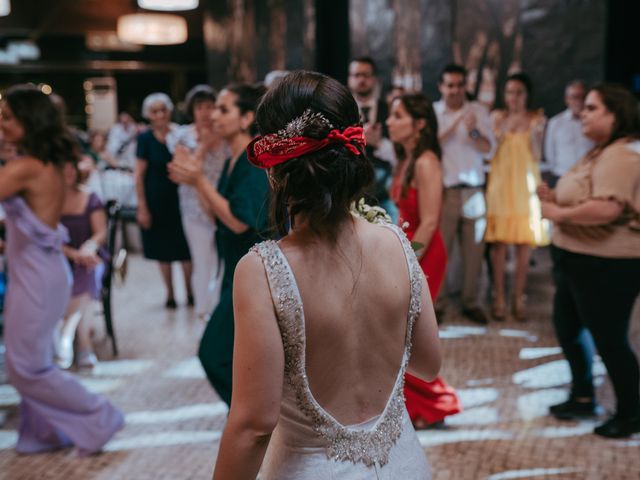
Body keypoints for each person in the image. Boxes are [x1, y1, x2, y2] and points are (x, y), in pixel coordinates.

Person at [211, 71, 440, 479]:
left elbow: (253, 425)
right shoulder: (396, 242)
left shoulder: (263, 269)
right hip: (405, 467)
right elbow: (428, 363)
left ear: (274, 168)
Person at [0, 84, 123, 454]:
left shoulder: (25, 167)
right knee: (30, 360)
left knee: (25, 367)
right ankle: (45, 433)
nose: (0, 124)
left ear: (29, 121)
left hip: (37, 276)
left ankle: (101, 415)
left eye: (7, 118)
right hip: (39, 271)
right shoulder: (41, 162)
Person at [538, 83, 640, 438]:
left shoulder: (623, 155)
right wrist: (557, 201)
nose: (584, 112)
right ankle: (582, 395)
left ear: (616, 115)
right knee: (568, 327)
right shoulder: (601, 151)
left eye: (593, 108)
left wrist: (555, 211)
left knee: (609, 339)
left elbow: (607, 208)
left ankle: (630, 412)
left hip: (606, 264)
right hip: (578, 258)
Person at [168, 83, 269, 407]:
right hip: (234, 271)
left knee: (213, 353)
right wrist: (195, 178)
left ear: (246, 118)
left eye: (223, 109)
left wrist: (198, 180)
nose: (213, 115)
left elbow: (240, 221)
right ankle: (251, 417)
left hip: (253, 275)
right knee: (234, 356)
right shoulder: (231, 160)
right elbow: (217, 219)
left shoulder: (253, 160)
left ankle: (254, 417)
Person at [387, 93, 462, 428]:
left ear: (419, 125)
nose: (390, 122)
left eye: (398, 116)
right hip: (410, 248)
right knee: (401, 333)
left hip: (424, 254)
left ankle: (436, 404)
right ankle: (414, 404)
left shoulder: (426, 161)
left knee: (409, 334)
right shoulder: (406, 158)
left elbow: (430, 220)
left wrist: (408, 261)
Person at [433, 64, 495, 324]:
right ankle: (438, 303)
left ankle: (471, 302)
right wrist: (456, 121)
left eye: (459, 84)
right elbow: (432, 146)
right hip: (445, 192)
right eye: (450, 85)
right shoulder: (435, 111)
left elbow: (489, 149)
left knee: (474, 252)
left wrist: (472, 130)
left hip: (474, 191)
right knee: (442, 251)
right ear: (441, 86)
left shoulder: (478, 111)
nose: (455, 90)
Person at [485, 73, 549, 321]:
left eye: (519, 92)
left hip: (526, 184)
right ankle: (498, 296)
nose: (514, 97)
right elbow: (489, 153)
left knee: (525, 244)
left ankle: (518, 297)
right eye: (510, 92)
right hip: (501, 183)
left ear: (527, 94)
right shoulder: (497, 117)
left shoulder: (537, 118)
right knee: (499, 244)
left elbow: (536, 155)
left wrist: (535, 133)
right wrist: (499, 134)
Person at [167, 85, 229, 321]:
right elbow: (181, 171)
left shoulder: (225, 132)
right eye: (200, 107)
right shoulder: (181, 136)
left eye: (210, 106)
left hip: (222, 203)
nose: (205, 112)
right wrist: (203, 146)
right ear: (192, 110)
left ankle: (219, 307)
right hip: (193, 207)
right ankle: (203, 310)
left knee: (224, 261)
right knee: (201, 260)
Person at [135, 92, 193, 309]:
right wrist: (142, 206)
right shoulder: (144, 139)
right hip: (156, 201)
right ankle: (169, 293)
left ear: (170, 111)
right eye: (154, 111)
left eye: (163, 110)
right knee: (162, 250)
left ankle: (189, 290)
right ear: (148, 115)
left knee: (185, 248)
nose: (160, 115)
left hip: (182, 199)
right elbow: (139, 175)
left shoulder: (181, 134)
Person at [57, 161, 107, 370]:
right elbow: (47, 236)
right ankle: (75, 340)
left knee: (89, 269)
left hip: (89, 256)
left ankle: (76, 339)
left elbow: (100, 233)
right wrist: (72, 254)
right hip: (59, 256)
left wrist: (89, 248)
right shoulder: (50, 199)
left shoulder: (90, 198)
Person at [348, 57, 398, 220]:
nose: (361, 79)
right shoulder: (342, 110)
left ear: (374, 79)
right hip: (351, 190)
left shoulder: (390, 109)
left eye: (366, 75)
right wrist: (362, 139)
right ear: (350, 79)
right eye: (356, 75)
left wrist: (379, 143)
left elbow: (400, 149)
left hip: (384, 192)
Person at [544, 80, 594, 188]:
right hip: (561, 177)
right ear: (567, 99)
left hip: (589, 178)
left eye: (582, 96)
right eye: (574, 97)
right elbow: (550, 154)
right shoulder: (555, 123)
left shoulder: (594, 121)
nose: (579, 101)